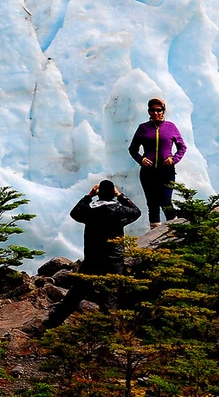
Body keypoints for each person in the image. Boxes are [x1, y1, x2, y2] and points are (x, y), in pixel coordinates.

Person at [44, 180, 141, 328]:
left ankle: (53, 322)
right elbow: (136, 212)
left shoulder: (89, 211)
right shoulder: (119, 211)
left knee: (77, 293)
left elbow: (74, 212)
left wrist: (88, 196)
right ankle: (108, 331)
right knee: (110, 295)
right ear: (113, 194)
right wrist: (121, 196)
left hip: (92, 258)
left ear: (98, 194)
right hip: (114, 260)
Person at [128, 97, 187, 226]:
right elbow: (132, 149)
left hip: (167, 172)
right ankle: (154, 237)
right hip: (148, 173)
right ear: (148, 111)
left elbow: (182, 147)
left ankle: (174, 232)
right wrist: (141, 159)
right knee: (152, 203)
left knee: (166, 201)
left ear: (163, 110)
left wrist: (174, 159)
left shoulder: (170, 127)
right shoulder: (143, 128)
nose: (155, 113)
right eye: (152, 110)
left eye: (158, 110)